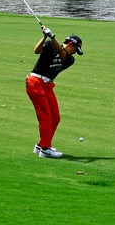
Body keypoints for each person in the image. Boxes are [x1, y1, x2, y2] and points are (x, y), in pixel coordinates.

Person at [25, 25, 83, 158]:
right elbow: (36, 51)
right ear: (70, 44)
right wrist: (45, 36)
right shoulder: (50, 44)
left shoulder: (70, 59)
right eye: (76, 49)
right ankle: (45, 149)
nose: (75, 53)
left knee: (55, 117)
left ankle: (41, 145)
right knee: (45, 117)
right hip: (35, 82)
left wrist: (52, 36)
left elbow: (62, 54)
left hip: (48, 85)